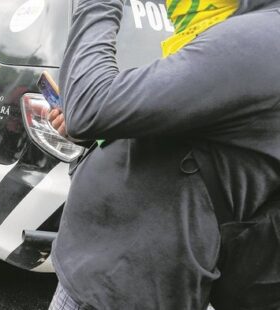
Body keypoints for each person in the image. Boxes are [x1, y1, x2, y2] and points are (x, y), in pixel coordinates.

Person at [46, 0, 280, 308]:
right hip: (105, 269)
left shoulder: (261, 40)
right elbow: (187, 130)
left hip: (126, 284)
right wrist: (98, 124)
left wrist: (98, 4)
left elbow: (90, 105)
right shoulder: (245, 28)